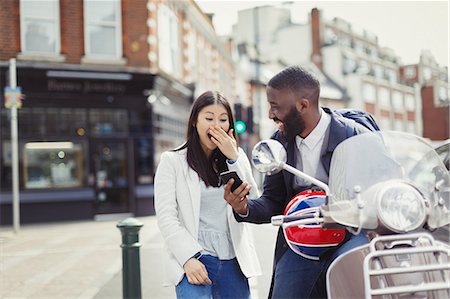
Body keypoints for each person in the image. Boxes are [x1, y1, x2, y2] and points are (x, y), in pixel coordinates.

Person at [224, 66, 368, 298]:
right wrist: (243, 207)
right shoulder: (277, 144)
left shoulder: (355, 137)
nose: (270, 115)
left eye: (275, 106)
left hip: (349, 236)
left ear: (303, 105)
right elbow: (273, 201)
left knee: (359, 284)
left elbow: (378, 192)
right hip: (299, 243)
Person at [154, 91, 262, 299]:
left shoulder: (237, 158)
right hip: (196, 259)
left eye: (223, 120)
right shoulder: (173, 161)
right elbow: (167, 217)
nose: (216, 125)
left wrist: (233, 158)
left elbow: (254, 202)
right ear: (195, 121)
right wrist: (187, 258)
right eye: (209, 118)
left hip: (234, 261)